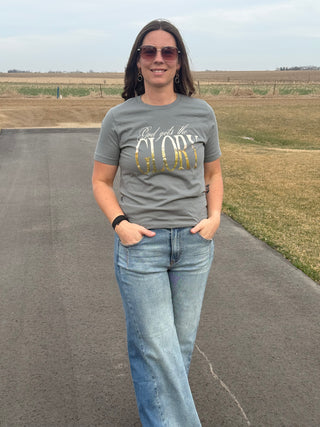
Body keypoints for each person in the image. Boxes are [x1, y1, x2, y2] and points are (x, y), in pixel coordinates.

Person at [92, 19, 223, 427]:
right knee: (157, 348)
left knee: (177, 348)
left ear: (180, 61)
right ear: (138, 60)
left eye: (168, 52)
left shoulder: (201, 112)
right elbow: (100, 180)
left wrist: (215, 217)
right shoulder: (119, 117)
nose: (159, 59)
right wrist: (120, 223)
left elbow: (213, 174)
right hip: (141, 244)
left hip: (194, 244)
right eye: (149, 51)